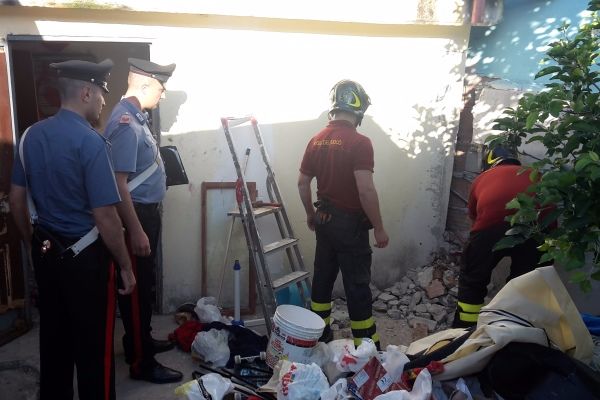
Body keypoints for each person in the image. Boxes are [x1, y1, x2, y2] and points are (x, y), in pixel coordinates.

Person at [9, 59, 136, 400]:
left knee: (54, 340)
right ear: (85, 93)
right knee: (94, 348)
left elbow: (17, 201)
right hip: (87, 260)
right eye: (101, 95)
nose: (103, 103)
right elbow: (106, 217)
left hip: (46, 253)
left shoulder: (29, 136)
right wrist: (125, 266)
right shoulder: (92, 142)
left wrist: (32, 243)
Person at [103, 58, 182, 384]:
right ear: (146, 84)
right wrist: (135, 230)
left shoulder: (136, 118)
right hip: (135, 217)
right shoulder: (125, 123)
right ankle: (141, 363)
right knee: (136, 290)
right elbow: (118, 184)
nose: (163, 95)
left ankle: (139, 340)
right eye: (161, 88)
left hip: (144, 214)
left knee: (144, 285)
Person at [298, 79, 389, 349]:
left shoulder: (315, 140)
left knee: (322, 279)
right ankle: (366, 346)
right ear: (358, 110)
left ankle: (319, 337)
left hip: (323, 220)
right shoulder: (360, 142)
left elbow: (302, 183)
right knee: (357, 286)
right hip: (350, 226)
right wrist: (379, 227)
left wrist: (310, 214)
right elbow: (365, 190)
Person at [452, 146, 544, 328]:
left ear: (488, 162)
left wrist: (475, 254)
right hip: (539, 230)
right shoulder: (536, 175)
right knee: (527, 283)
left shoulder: (482, 178)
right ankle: (515, 328)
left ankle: (464, 330)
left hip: (491, 227)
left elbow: (474, 219)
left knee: (473, 280)